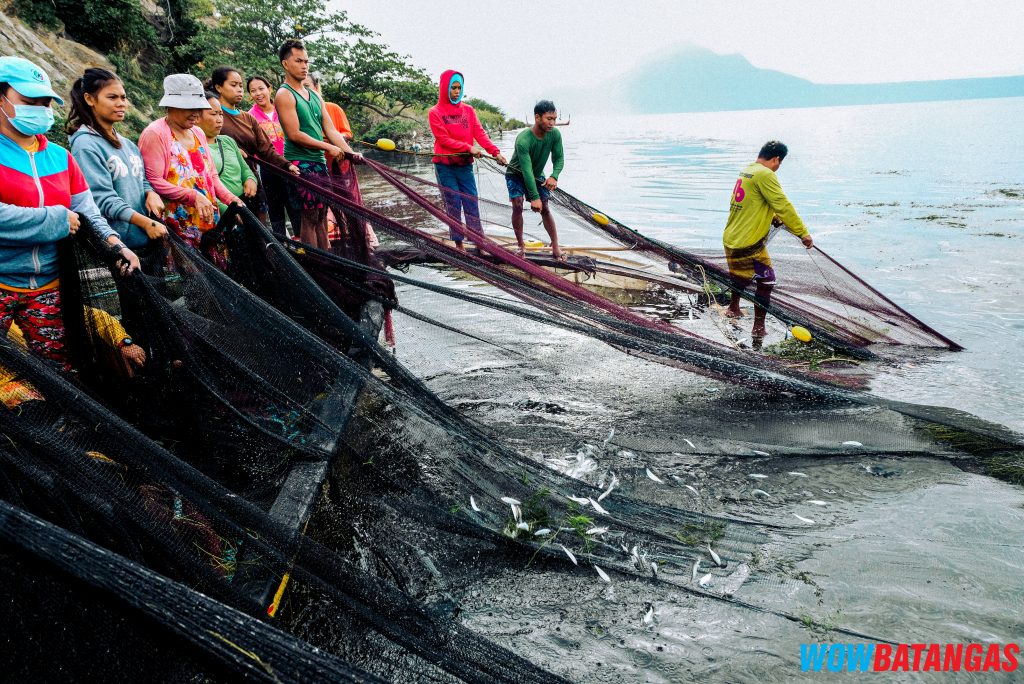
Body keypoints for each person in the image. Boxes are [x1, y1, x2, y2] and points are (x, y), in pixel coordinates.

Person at [0, 56, 140, 373]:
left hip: (49, 286)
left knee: (59, 371)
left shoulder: (60, 158)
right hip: (2, 282)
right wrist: (54, 221)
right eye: (29, 100)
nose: (39, 107)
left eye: (45, 101)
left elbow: (87, 211)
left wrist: (115, 243)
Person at [67, 68, 169, 274]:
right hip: (122, 246)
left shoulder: (128, 144)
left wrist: (151, 193)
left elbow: (142, 180)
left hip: (146, 238)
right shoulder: (85, 145)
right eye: (112, 97)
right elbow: (102, 199)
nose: (121, 103)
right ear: (89, 99)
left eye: (123, 97)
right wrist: (145, 222)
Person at [138, 74, 241, 268]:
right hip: (181, 223)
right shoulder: (155, 133)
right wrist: (192, 196)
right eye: (189, 108)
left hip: (209, 218)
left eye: (198, 108)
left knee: (220, 273)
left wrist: (231, 200)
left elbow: (211, 175)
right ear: (171, 105)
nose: (196, 113)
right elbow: (153, 180)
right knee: (195, 279)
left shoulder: (198, 132)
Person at [722, 140, 814, 343]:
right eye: (779, 164)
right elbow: (783, 205)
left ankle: (733, 308)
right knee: (767, 282)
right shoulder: (766, 174)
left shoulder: (748, 170)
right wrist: (802, 233)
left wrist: (771, 216)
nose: (778, 168)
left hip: (731, 238)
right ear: (776, 160)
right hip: (749, 243)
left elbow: (752, 202)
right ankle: (758, 328)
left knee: (739, 276)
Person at [274, 39, 361, 250]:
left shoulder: (314, 95)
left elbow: (331, 130)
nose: (304, 66)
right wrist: (328, 147)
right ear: (286, 64)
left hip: (319, 162)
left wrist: (350, 153)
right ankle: (315, 262)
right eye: (298, 61)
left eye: (306, 61)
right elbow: (294, 134)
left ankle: (328, 259)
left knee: (322, 214)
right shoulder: (284, 94)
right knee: (310, 215)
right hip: (300, 163)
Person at [205, 66, 298, 222]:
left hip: (252, 183)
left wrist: (287, 165)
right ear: (218, 87)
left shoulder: (248, 118)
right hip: (224, 186)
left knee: (261, 233)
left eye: (241, 86)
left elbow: (266, 150)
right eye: (233, 85)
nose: (239, 90)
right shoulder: (209, 117)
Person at [428, 69, 507, 251]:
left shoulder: (468, 111)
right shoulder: (435, 112)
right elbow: (443, 140)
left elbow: (480, 133)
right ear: (444, 88)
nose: (456, 91)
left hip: (464, 166)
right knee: (453, 202)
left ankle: (478, 241)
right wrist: (468, 147)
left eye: (459, 88)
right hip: (445, 166)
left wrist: (495, 152)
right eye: (453, 88)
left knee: (471, 200)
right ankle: (458, 243)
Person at [506, 100, 564, 258]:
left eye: (554, 119)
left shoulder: (555, 134)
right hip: (516, 174)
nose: (552, 123)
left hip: (537, 175)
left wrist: (554, 176)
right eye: (549, 119)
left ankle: (555, 246)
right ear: (537, 118)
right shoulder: (523, 139)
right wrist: (534, 197)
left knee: (545, 207)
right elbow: (526, 171)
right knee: (517, 204)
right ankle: (520, 246)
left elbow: (559, 159)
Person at [247, 75, 298, 235]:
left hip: (291, 163)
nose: (258, 93)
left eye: (261, 89)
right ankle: (282, 243)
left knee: (295, 204)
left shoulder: (283, 109)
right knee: (275, 208)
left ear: (269, 89)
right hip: (267, 167)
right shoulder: (249, 116)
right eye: (253, 91)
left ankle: (302, 240)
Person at [197, 92, 258, 214]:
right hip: (222, 212)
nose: (219, 120)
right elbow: (203, 189)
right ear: (196, 117)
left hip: (243, 205)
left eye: (221, 114)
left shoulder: (228, 141)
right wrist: (229, 212)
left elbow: (245, 169)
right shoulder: (195, 148)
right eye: (214, 114)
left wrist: (250, 180)